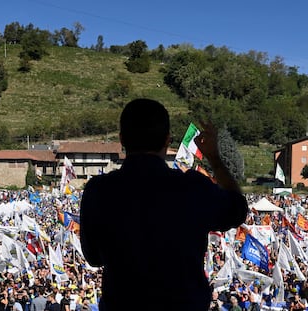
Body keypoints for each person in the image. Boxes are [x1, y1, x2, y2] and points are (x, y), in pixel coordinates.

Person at [80, 98, 248, 311]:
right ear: (167, 140)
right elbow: (237, 210)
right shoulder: (193, 188)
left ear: (122, 140)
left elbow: (93, 257)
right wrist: (214, 158)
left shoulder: (98, 190)